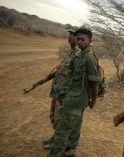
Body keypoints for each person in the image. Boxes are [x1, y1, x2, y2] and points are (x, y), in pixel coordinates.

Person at [48, 28, 100, 157]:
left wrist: (94, 100)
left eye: (83, 39)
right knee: (74, 127)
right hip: (74, 97)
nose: (80, 42)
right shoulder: (81, 54)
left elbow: (94, 82)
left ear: (90, 41)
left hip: (76, 100)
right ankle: (69, 151)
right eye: (78, 39)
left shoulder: (88, 57)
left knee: (61, 130)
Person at [42, 30, 79, 150]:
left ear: (77, 39)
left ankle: (59, 144)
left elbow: (77, 78)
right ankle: (55, 138)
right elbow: (64, 72)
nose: (69, 38)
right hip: (58, 92)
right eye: (69, 35)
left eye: (72, 36)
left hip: (64, 95)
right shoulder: (71, 52)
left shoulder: (78, 55)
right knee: (53, 116)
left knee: (60, 121)